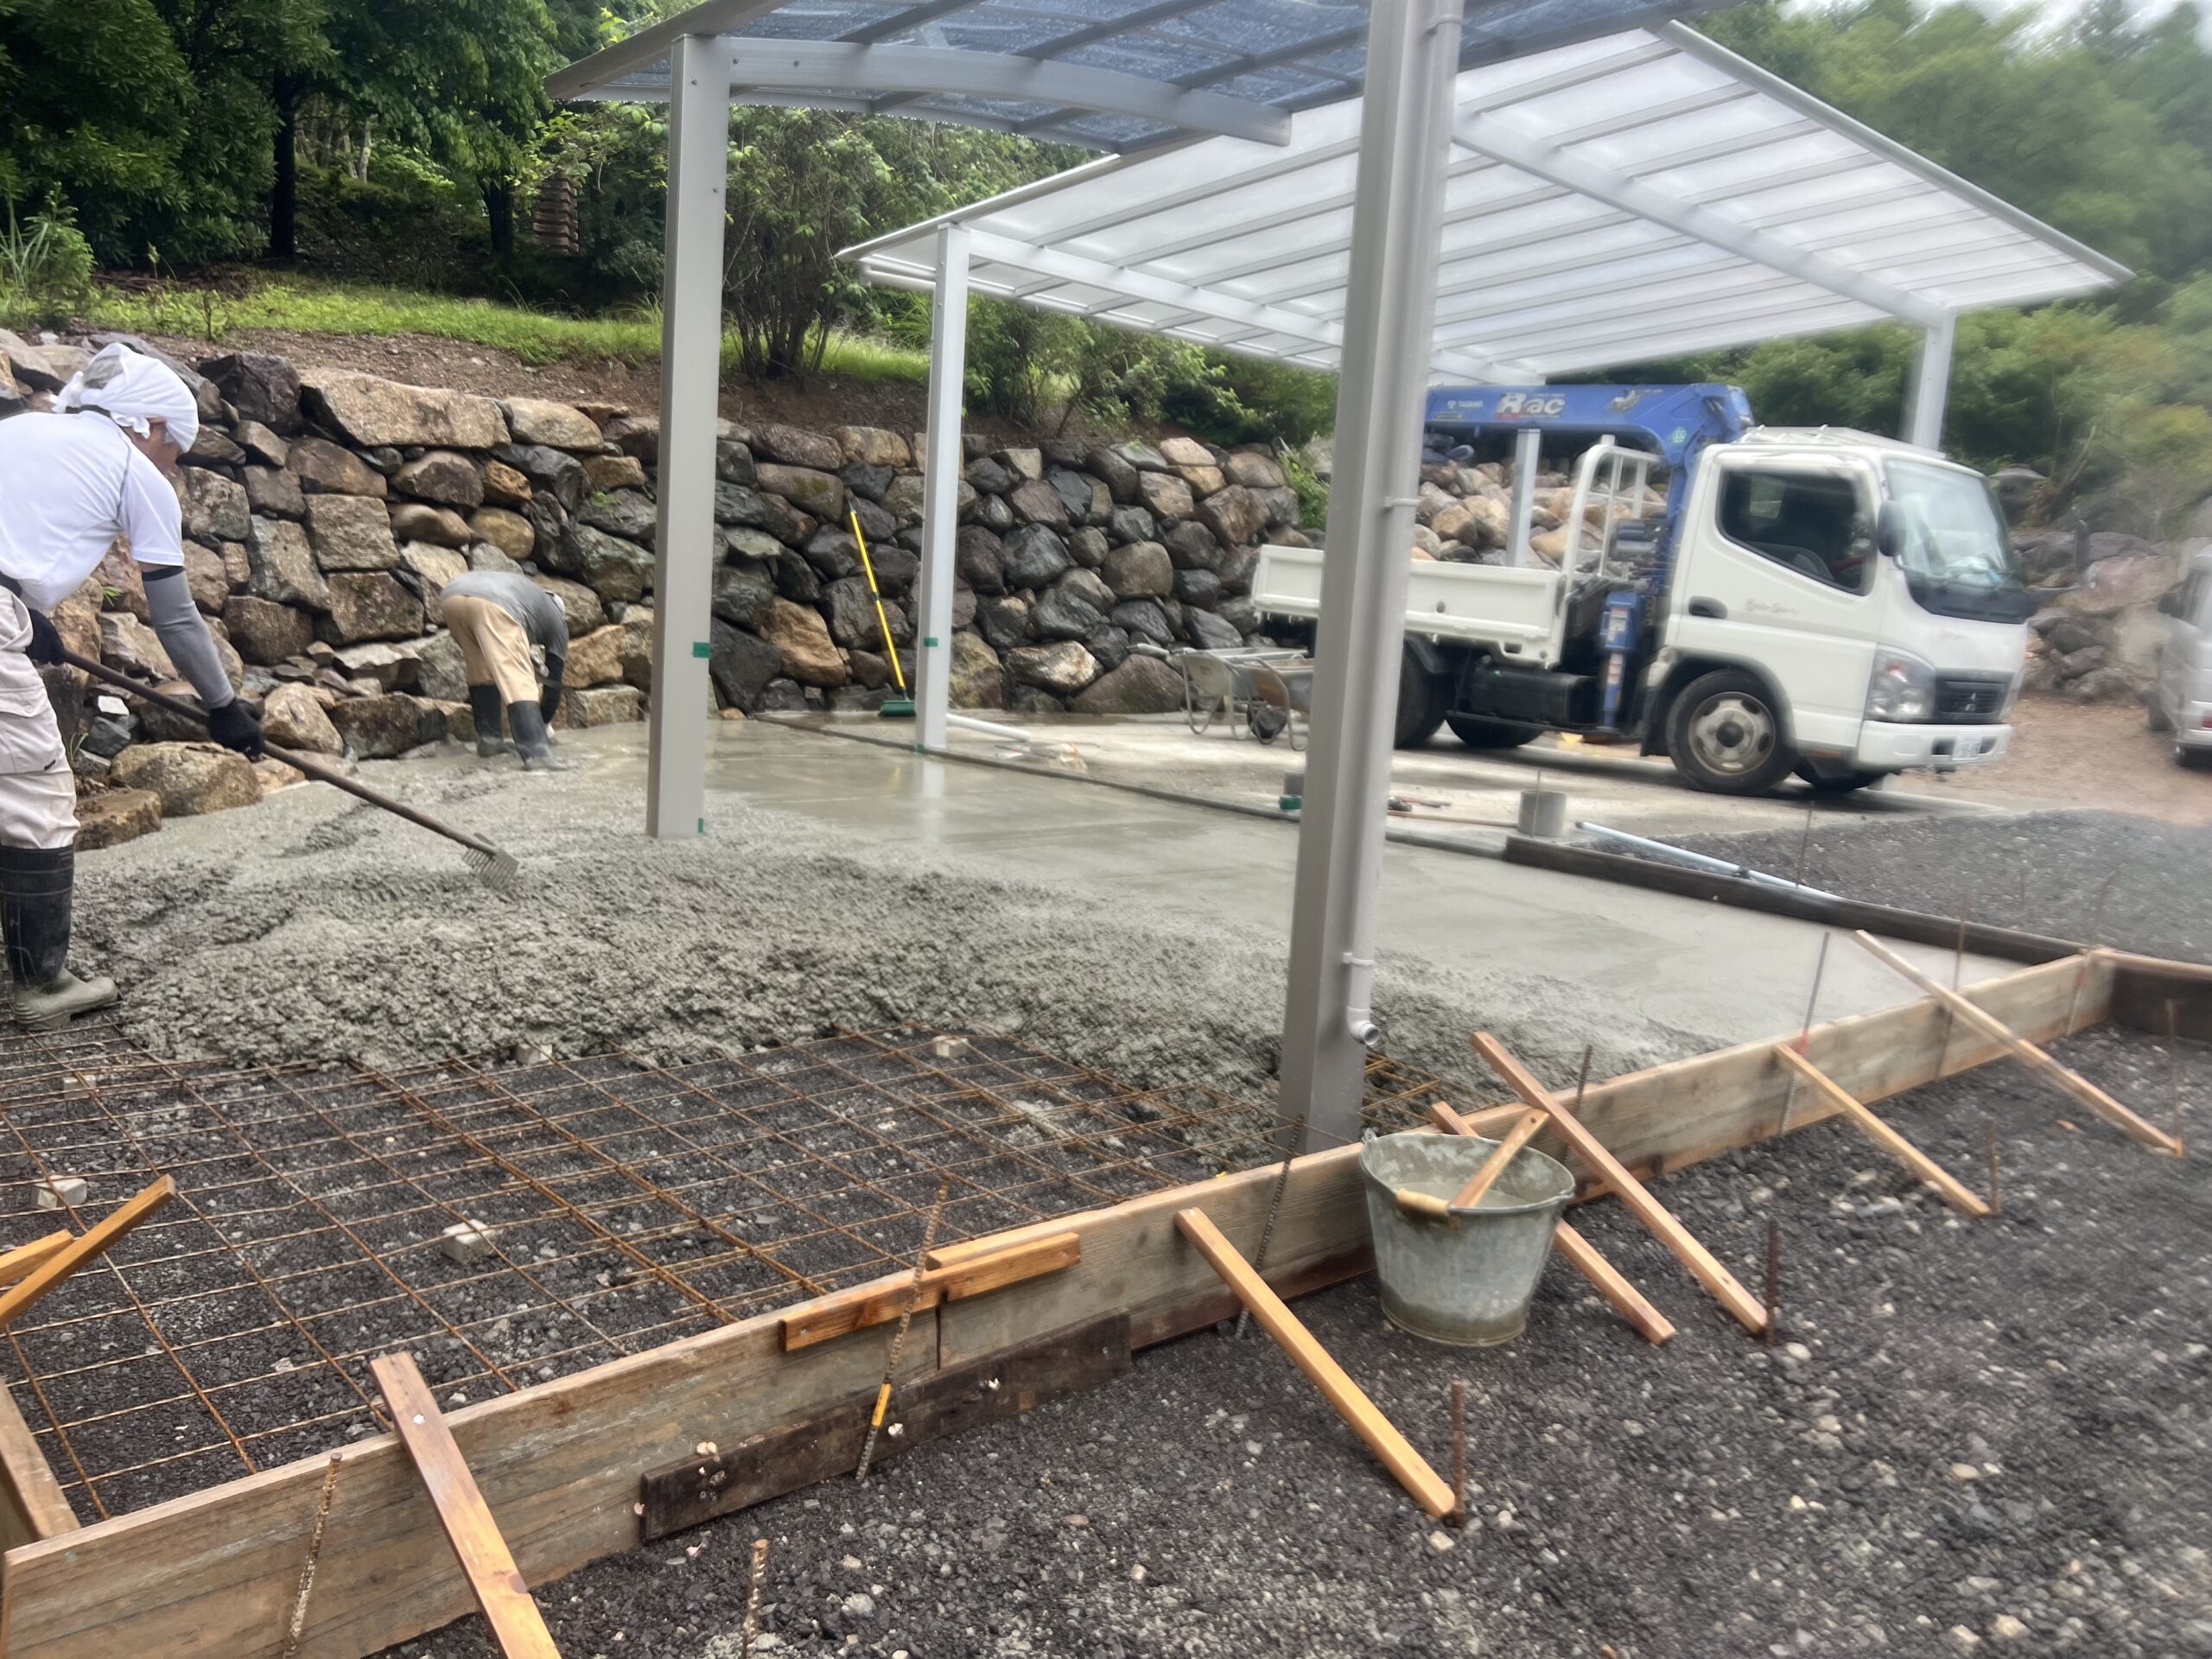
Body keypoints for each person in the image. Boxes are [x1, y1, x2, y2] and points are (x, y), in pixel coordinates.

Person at [0, 343, 264, 1027]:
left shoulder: (22, 430)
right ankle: (43, 986)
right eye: (173, 451)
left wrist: (26, 611)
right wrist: (224, 706)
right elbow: (175, 618)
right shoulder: (132, 470)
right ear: (150, 425)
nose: (169, 466)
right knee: (35, 796)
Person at [437, 569, 569, 769]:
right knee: (517, 679)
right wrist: (542, 724)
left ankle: (489, 740)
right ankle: (537, 754)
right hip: (496, 603)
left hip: (451, 598)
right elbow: (554, 683)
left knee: (481, 668)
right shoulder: (559, 623)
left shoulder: (529, 597)